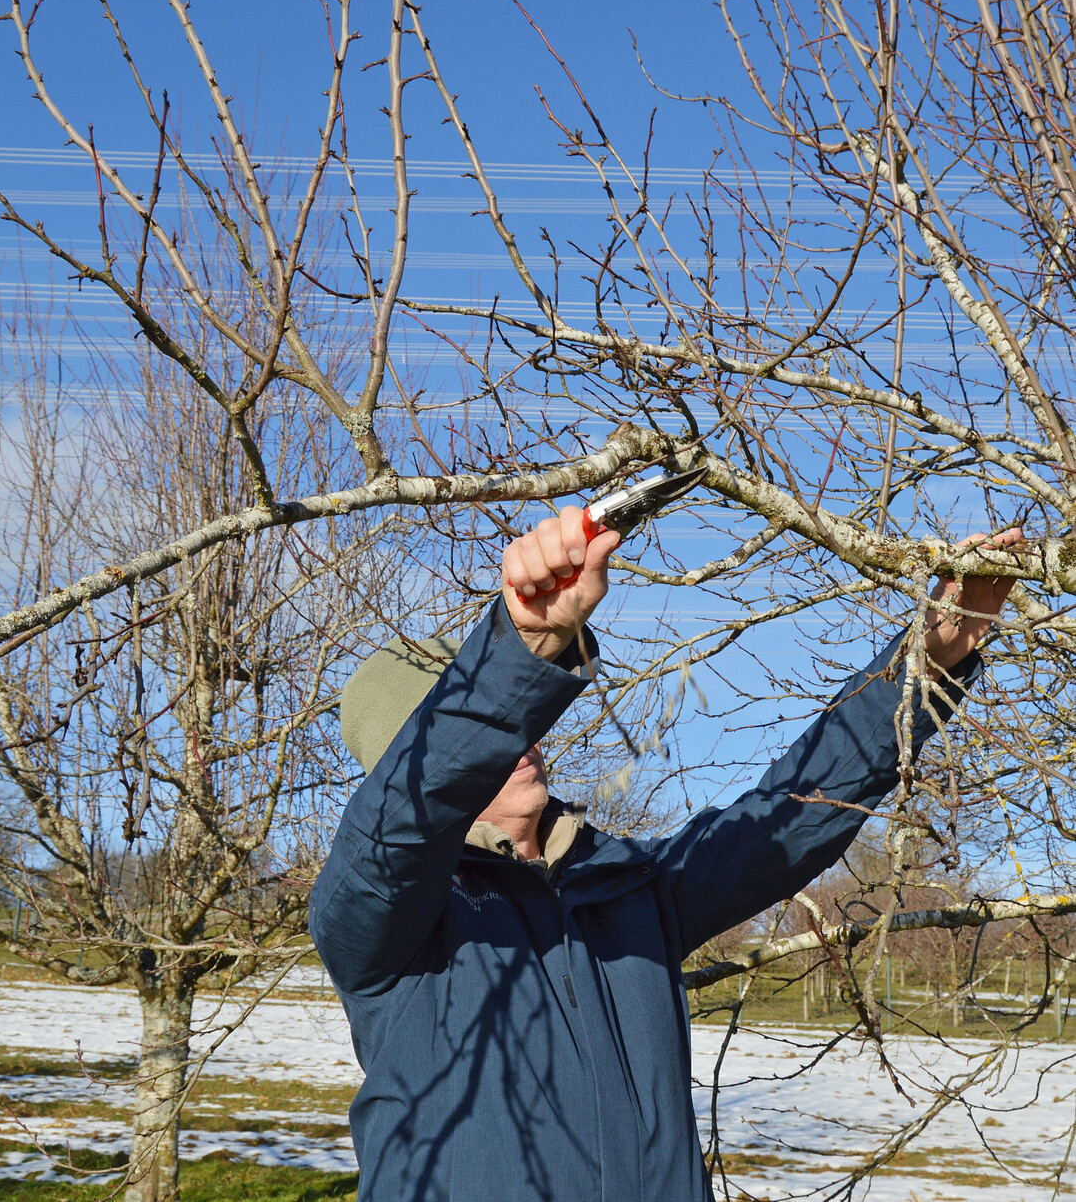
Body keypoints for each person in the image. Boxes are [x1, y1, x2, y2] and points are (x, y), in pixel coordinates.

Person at [309, 508, 1019, 1202]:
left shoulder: (631, 886)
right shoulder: (382, 919)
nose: (520, 736)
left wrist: (927, 662)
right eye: (493, 725)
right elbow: (402, 821)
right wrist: (520, 652)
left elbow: (790, 813)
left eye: (521, 718)